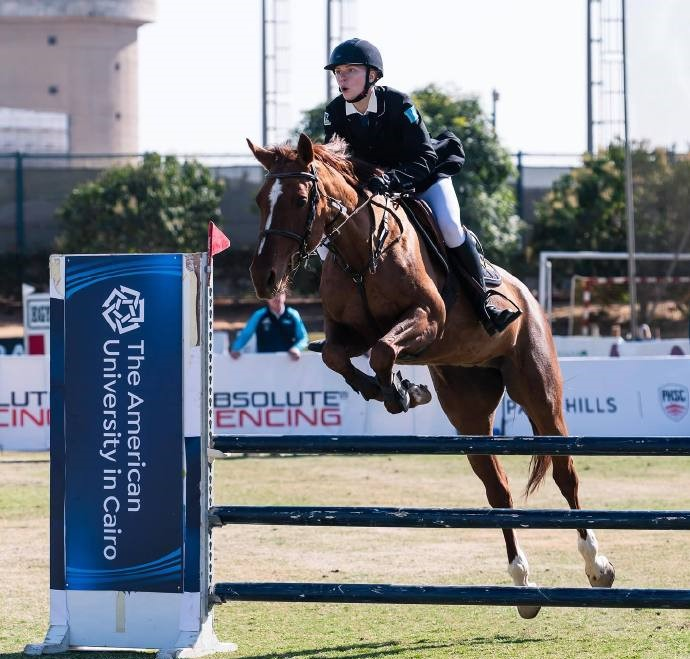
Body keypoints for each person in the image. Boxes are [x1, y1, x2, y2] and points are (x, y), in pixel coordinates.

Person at [322, 38, 520, 335]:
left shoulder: (400, 104)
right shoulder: (335, 113)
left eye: (350, 70)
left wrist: (392, 179)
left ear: (372, 75)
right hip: (375, 190)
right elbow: (339, 164)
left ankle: (485, 302)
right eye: (338, 72)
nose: (342, 77)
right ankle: (343, 324)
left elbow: (425, 156)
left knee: (451, 227)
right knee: (326, 240)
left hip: (423, 178)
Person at [230, 292, 309, 360]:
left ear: (284, 295)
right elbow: (245, 334)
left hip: (288, 363)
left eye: (279, 294)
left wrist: (297, 348)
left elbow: (303, 337)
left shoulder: (293, 314)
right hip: (264, 363)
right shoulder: (259, 315)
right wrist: (236, 348)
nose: (276, 297)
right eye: (272, 294)